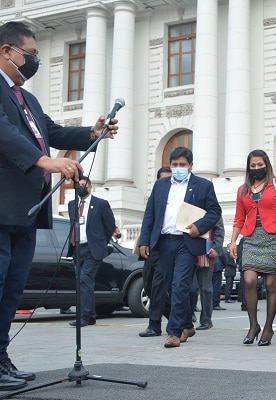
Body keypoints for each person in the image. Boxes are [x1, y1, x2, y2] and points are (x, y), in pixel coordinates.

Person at [0, 21, 119, 390]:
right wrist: (44, 161)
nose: (34, 61)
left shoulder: (27, 99)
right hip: (2, 208)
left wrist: (91, 133)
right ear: (6, 51)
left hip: (26, 212)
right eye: (30, 54)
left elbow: (50, 133)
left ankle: (1, 357)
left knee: (12, 289)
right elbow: (3, 132)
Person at [139, 147, 222, 348]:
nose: (178, 168)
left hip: (187, 242)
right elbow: (150, 214)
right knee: (170, 287)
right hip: (164, 242)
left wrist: (199, 226)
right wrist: (144, 241)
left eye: (182, 165)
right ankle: (187, 325)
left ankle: (174, 332)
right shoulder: (160, 185)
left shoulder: (203, 185)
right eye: (174, 165)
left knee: (180, 285)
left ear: (190, 166)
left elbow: (214, 211)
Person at [228, 150, 276, 347]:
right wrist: (233, 241)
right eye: (253, 165)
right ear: (248, 168)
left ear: (267, 165)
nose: (257, 168)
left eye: (260, 164)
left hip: (274, 238)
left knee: (271, 285)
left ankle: (268, 328)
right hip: (251, 238)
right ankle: (253, 325)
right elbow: (239, 217)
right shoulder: (242, 190)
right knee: (249, 281)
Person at [67, 176, 117, 327]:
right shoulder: (72, 204)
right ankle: (91, 316)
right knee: (83, 282)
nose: (81, 187)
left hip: (92, 249)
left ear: (90, 187)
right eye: (79, 185)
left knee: (85, 279)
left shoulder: (101, 204)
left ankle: (84, 316)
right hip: (77, 249)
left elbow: (110, 225)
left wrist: (100, 242)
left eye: (84, 185)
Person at [139, 167, 172, 337]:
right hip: (153, 246)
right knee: (148, 285)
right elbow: (148, 217)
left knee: (159, 286)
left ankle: (154, 325)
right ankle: (178, 317)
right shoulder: (156, 193)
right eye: (163, 179)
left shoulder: (178, 196)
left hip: (169, 246)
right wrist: (143, 242)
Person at [192, 217, 225, 330]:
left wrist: (216, 247)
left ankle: (206, 320)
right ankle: (188, 315)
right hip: (188, 251)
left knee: (206, 288)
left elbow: (219, 229)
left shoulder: (213, 210)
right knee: (189, 288)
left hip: (206, 252)